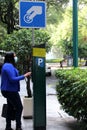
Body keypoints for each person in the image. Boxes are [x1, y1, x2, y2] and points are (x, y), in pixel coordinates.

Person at [0, 52, 31, 130]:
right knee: (19, 107)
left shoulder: (8, 65)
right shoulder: (8, 66)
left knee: (10, 107)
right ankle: (18, 126)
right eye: (14, 56)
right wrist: (24, 76)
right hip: (10, 91)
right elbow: (12, 79)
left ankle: (8, 127)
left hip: (9, 90)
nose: (15, 58)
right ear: (11, 57)